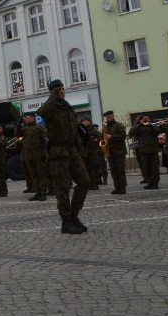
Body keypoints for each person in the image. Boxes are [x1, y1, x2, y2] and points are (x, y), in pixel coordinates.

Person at [37, 79, 90, 235]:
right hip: (57, 153)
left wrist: (81, 152)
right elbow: (42, 113)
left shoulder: (68, 108)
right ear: (53, 92)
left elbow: (74, 132)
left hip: (72, 151)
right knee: (63, 188)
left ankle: (74, 216)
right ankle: (66, 222)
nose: (62, 91)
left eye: (63, 88)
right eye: (58, 89)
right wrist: (52, 96)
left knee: (84, 181)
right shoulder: (50, 108)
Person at [16, 112, 48, 201]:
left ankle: (43, 193)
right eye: (26, 118)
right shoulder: (25, 129)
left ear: (33, 118)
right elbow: (17, 133)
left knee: (41, 174)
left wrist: (44, 153)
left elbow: (45, 141)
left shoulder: (39, 128)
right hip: (28, 156)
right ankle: (37, 192)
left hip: (39, 155)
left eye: (29, 118)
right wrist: (19, 123)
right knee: (33, 175)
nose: (27, 119)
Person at [127, 115, 161, 189]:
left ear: (149, 119)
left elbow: (158, 131)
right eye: (143, 119)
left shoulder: (153, 126)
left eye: (146, 118)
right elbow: (133, 131)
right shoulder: (139, 127)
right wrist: (140, 124)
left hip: (153, 150)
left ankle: (155, 183)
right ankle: (149, 182)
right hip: (143, 150)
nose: (145, 120)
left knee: (154, 168)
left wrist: (150, 125)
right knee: (146, 167)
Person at [103, 110, 128, 194]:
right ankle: (117, 187)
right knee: (113, 171)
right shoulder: (105, 127)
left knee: (120, 170)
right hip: (110, 152)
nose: (107, 118)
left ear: (113, 116)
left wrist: (112, 137)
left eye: (109, 116)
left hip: (119, 151)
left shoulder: (119, 125)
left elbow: (123, 135)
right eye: (106, 117)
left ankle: (122, 187)